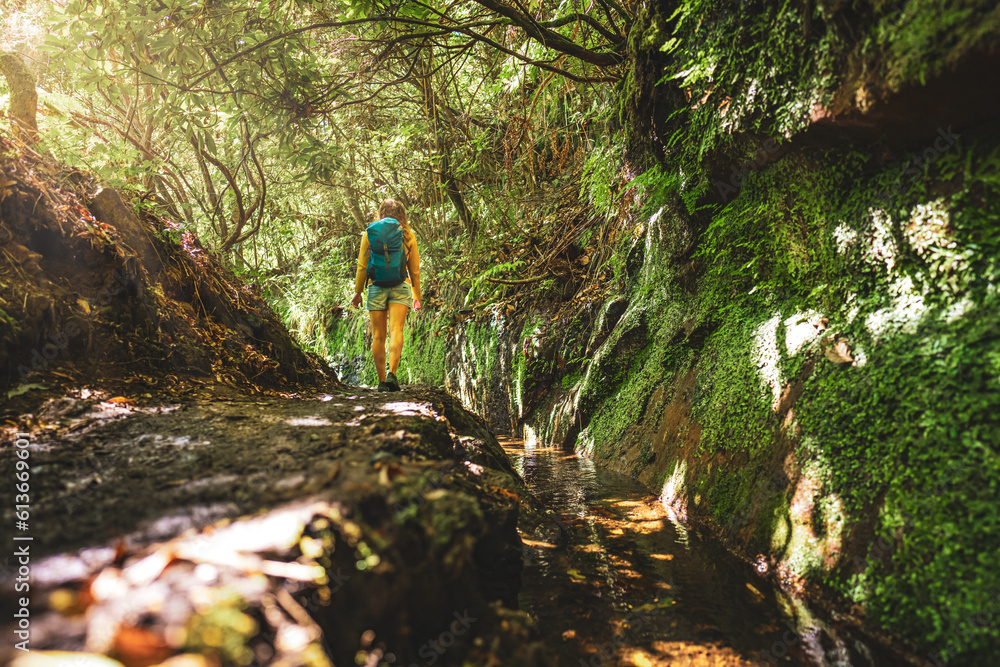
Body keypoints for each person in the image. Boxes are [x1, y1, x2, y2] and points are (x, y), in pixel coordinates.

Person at [350, 199, 422, 392]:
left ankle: (381, 382)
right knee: (396, 331)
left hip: (376, 287)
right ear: (402, 215)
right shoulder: (408, 235)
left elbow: (362, 266)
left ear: (380, 213)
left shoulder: (369, 233)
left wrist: (357, 293)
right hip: (401, 286)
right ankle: (392, 375)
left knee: (378, 337)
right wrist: (417, 296)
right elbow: (414, 271)